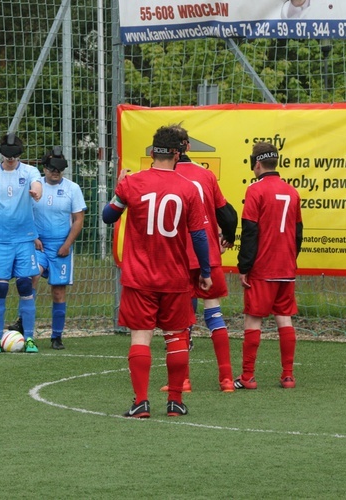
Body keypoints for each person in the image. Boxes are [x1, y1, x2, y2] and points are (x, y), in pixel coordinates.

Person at [102, 125, 212, 418]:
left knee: (141, 336)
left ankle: (141, 403)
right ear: (178, 153)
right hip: (175, 276)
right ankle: (175, 401)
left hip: (139, 276)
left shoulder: (132, 183)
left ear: (153, 152)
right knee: (176, 335)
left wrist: (118, 186)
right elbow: (200, 236)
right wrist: (205, 270)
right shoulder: (188, 188)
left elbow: (107, 216)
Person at [160, 124, 238, 393]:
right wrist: (229, 237)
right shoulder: (206, 175)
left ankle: (183, 381)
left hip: (178, 257)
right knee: (214, 313)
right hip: (207, 255)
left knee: (181, 321)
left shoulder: (164, 176)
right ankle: (226, 379)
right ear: (188, 147)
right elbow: (227, 212)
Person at [235, 141, 303, 390]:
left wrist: (244, 266)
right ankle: (288, 376)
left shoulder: (255, 190)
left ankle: (247, 376)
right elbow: (298, 234)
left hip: (263, 268)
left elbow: (250, 232)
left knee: (253, 320)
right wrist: (290, 260)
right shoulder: (292, 191)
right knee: (284, 318)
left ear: (257, 163)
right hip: (286, 267)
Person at [8, 147, 87, 350]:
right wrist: (33, 237)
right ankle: (24, 325)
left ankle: (56, 336)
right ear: (45, 167)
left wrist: (67, 244)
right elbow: (22, 214)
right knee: (30, 277)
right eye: (52, 168)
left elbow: (79, 219)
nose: (55, 172)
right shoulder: (34, 186)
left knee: (58, 291)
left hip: (61, 245)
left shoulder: (73, 189)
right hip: (38, 244)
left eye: (59, 169)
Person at [0, 133, 43, 354]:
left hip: (24, 240)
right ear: (1, 154)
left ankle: (30, 338)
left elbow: (37, 185)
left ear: (20, 155)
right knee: (0, 288)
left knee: (25, 286)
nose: (11, 159)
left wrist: (37, 192)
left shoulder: (30, 171)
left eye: (15, 156)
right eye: (7, 155)